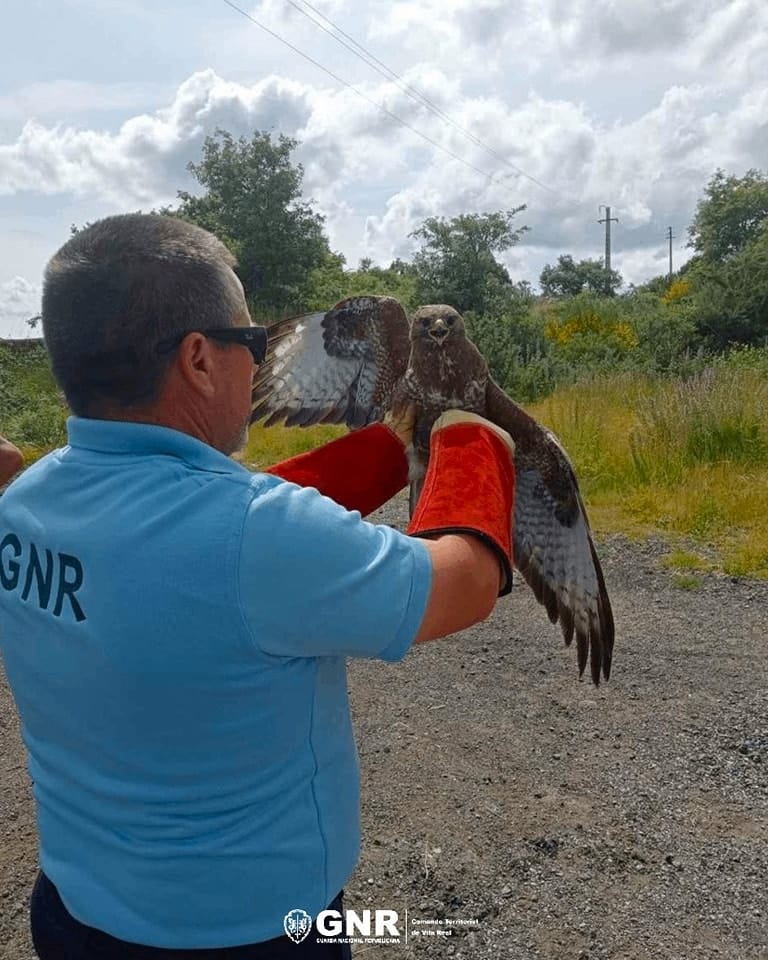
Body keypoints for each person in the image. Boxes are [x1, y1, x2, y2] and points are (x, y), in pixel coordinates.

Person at [0, 214, 516, 959]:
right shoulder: (256, 538)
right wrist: (474, 438)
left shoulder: (29, 502)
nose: (259, 363)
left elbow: (191, 540)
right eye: (253, 343)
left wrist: (389, 447)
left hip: (75, 914)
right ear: (201, 359)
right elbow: (462, 586)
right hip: (253, 936)